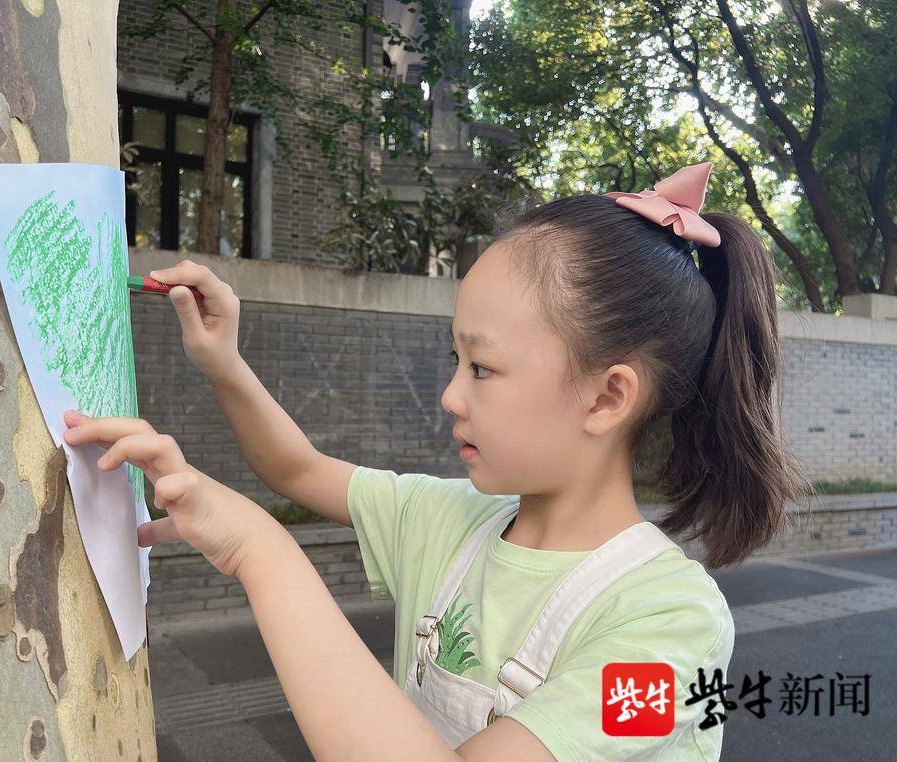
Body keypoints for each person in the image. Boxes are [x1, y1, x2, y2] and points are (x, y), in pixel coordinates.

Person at [63, 161, 813, 760]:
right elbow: (297, 470)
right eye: (455, 359)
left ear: (607, 397)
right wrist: (223, 361)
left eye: (482, 368)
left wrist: (262, 550)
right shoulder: (451, 518)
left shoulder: (673, 631)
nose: (451, 395)